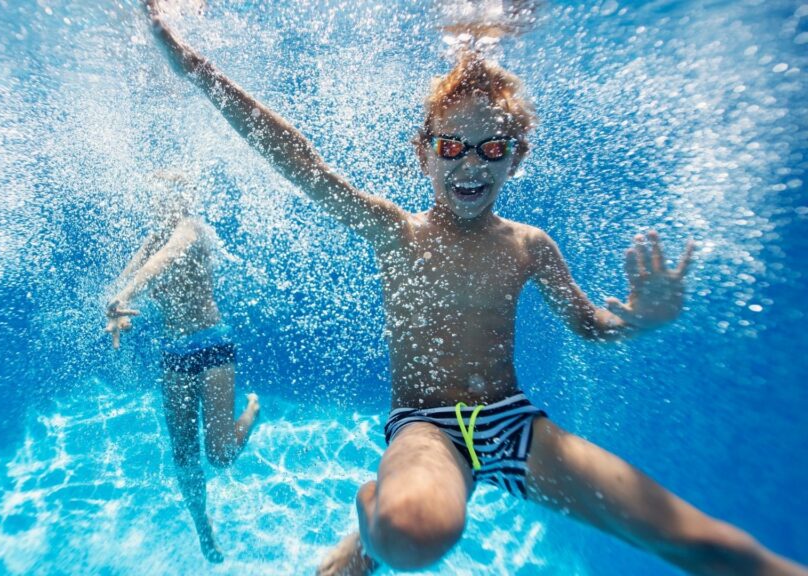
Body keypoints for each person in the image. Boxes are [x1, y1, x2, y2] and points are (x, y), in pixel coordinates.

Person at [138, 2, 808, 575]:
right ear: (423, 150)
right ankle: (369, 535)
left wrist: (638, 322)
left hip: (513, 423)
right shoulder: (394, 232)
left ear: (517, 156)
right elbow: (296, 159)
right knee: (412, 536)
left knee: (712, 545)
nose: (469, 163)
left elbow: (588, 328)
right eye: (452, 146)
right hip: (425, 429)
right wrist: (194, 68)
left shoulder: (529, 246)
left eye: (492, 149)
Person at [105, 176, 259, 563]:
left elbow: (165, 260)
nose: (161, 205)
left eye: (168, 197)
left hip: (211, 342)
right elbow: (127, 277)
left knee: (221, 454)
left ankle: (253, 410)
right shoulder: (155, 237)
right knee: (184, 455)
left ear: (183, 199)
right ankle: (203, 526)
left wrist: (126, 293)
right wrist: (115, 304)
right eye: (156, 199)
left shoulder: (192, 229)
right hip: (174, 353)